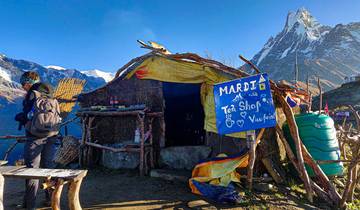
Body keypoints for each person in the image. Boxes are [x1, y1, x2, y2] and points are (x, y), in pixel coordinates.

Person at [15, 71, 60, 210]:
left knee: (32, 171)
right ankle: (51, 201)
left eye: (23, 84)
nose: (23, 87)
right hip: (52, 134)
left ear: (28, 83)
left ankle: (29, 206)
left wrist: (20, 117)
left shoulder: (32, 94)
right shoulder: (49, 92)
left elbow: (28, 115)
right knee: (48, 168)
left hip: (35, 137)